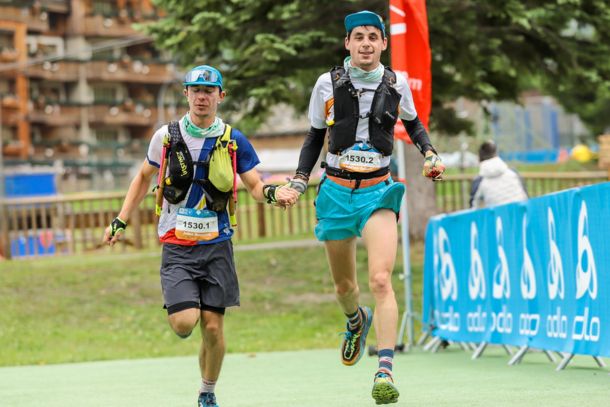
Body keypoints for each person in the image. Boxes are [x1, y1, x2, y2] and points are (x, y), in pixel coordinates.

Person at [102, 65, 299, 407]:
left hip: (217, 245)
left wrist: (272, 194)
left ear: (220, 96)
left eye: (209, 91)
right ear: (186, 94)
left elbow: (253, 184)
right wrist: (120, 220)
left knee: (212, 328)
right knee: (183, 323)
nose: (202, 97)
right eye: (196, 90)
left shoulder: (233, 140)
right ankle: (199, 356)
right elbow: (141, 178)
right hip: (177, 246)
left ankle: (207, 392)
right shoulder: (166, 136)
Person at [286, 10, 445, 405]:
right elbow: (313, 136)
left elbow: (414, 123)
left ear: (383, 44)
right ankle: (356, 321)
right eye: (359, 37)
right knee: (345, 288)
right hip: (337, 192)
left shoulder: (397, 83)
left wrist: (429, 152)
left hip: (378, 191)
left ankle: (384, 370)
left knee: (379, 280)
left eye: (374, 36)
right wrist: (299, 180)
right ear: (348, 44)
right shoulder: (326, 83)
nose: (366, 43)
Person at [469, 140, 528, 208]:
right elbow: (525, 197)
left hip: (497, 217)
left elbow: (473, 207)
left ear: (479, 157)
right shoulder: (513, 173)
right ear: (496, 154)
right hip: (518, 215)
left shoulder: (479, 181)